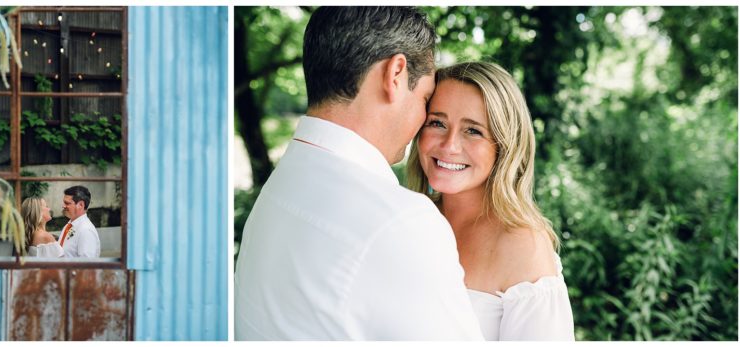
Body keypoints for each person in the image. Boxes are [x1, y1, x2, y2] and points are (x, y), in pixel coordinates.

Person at [235, 7, 483, 340]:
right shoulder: (403, 221)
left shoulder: (281, 185)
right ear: (395, 75)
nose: (424, 120)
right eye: (425, 98)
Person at [405, 61, 575, 340]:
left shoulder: (522, 245)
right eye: (437, 123)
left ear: (504, 147)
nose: (449, 146)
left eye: (473, 130)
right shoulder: (408, 221)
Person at [59, 185, 101, 258]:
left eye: (67, 203)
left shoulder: (86, 231)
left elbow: (86, 266)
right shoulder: (69, 225)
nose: (63, 206)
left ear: (81, 205)